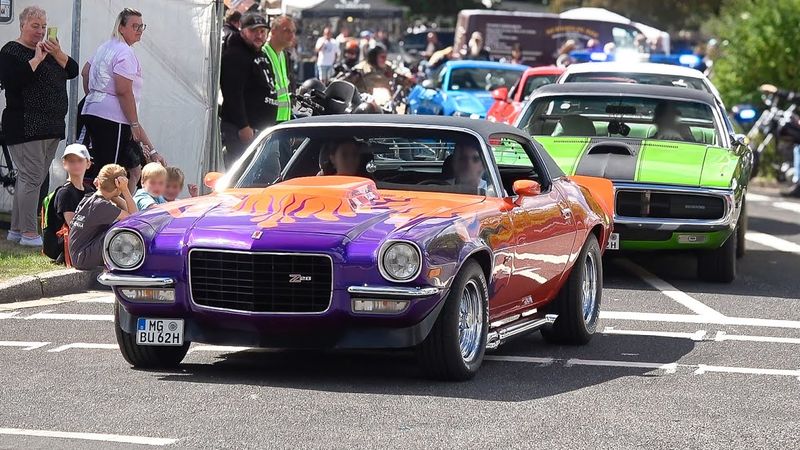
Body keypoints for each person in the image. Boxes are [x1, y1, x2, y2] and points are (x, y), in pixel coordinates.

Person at [0, 6, 79, 247]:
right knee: (31, 178)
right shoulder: (11, 51)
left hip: (51, 126)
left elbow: (72, 70)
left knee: (32, 178)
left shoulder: (50, 51)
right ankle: (29, 233)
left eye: (43, 26)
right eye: (35, 26)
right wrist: (36, 59)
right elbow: (11, 81)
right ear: (22, 25)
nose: (40, 31)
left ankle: (16, 230)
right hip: (25, 126)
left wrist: (57, 53)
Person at [81, 8, 161, 195]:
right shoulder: (125, 53)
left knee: (107, 166)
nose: (139, 30)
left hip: (92, 110)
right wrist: (133, 123)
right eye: (135, 26)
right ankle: (104, 213)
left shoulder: (105, 46)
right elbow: (124, 91)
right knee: (111, 170)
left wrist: (94, 94)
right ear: (121, 28)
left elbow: (85, 72)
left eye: (142, 26)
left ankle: (110, 208)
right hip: (113, 118)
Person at [219, 12, 270, 168]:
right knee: (242, 172)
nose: (259, 35)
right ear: (242, 31)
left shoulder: (258, 52)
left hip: (259, 127)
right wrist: (243, 125)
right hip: (241, 129)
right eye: (254, 31)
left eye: (263, 31)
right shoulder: (235, 55)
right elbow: (232, 93)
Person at [69, 164, 137, 270]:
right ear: (118, 185)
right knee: (122, 231)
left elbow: (127, 211)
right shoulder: (101, 206)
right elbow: (134, 219)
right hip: (83, 258)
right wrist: (125, 190)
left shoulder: (91, 199)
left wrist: (115, 193)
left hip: (79, 254)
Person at [42, 144, 94, 263]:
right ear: (64, 164)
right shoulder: (65, 192)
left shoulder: (90, 190)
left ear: (88, 163)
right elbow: (74, 225)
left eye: (80, 160)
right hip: (62, 244)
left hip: (81, 238)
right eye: (71, 161)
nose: (76, 165)